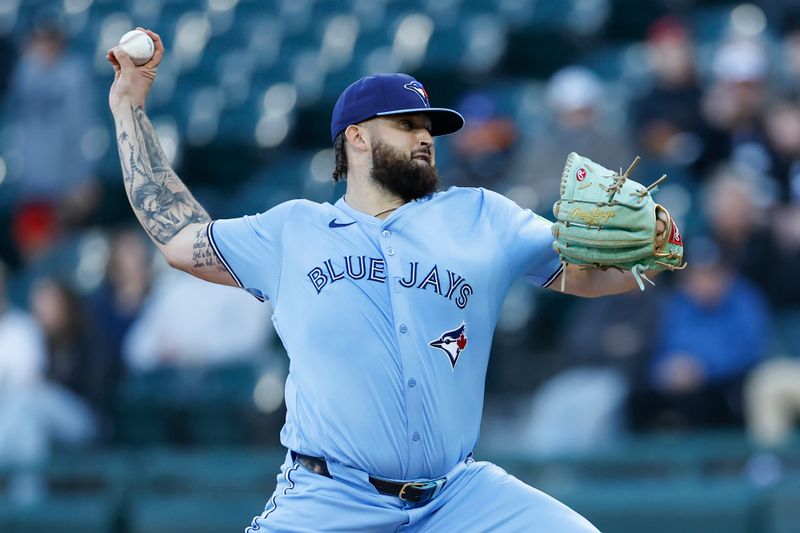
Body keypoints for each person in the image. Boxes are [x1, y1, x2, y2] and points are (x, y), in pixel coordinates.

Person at [107, 28, 665, 533]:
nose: (424, 137)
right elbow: (179, 236)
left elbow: (591, 277)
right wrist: (129, 107)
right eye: (406, 125)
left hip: (456, 498)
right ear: (356, 137)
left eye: (429, 127)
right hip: (329, 499)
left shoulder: (482, 217)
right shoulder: (293, 231)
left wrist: (651, 245)